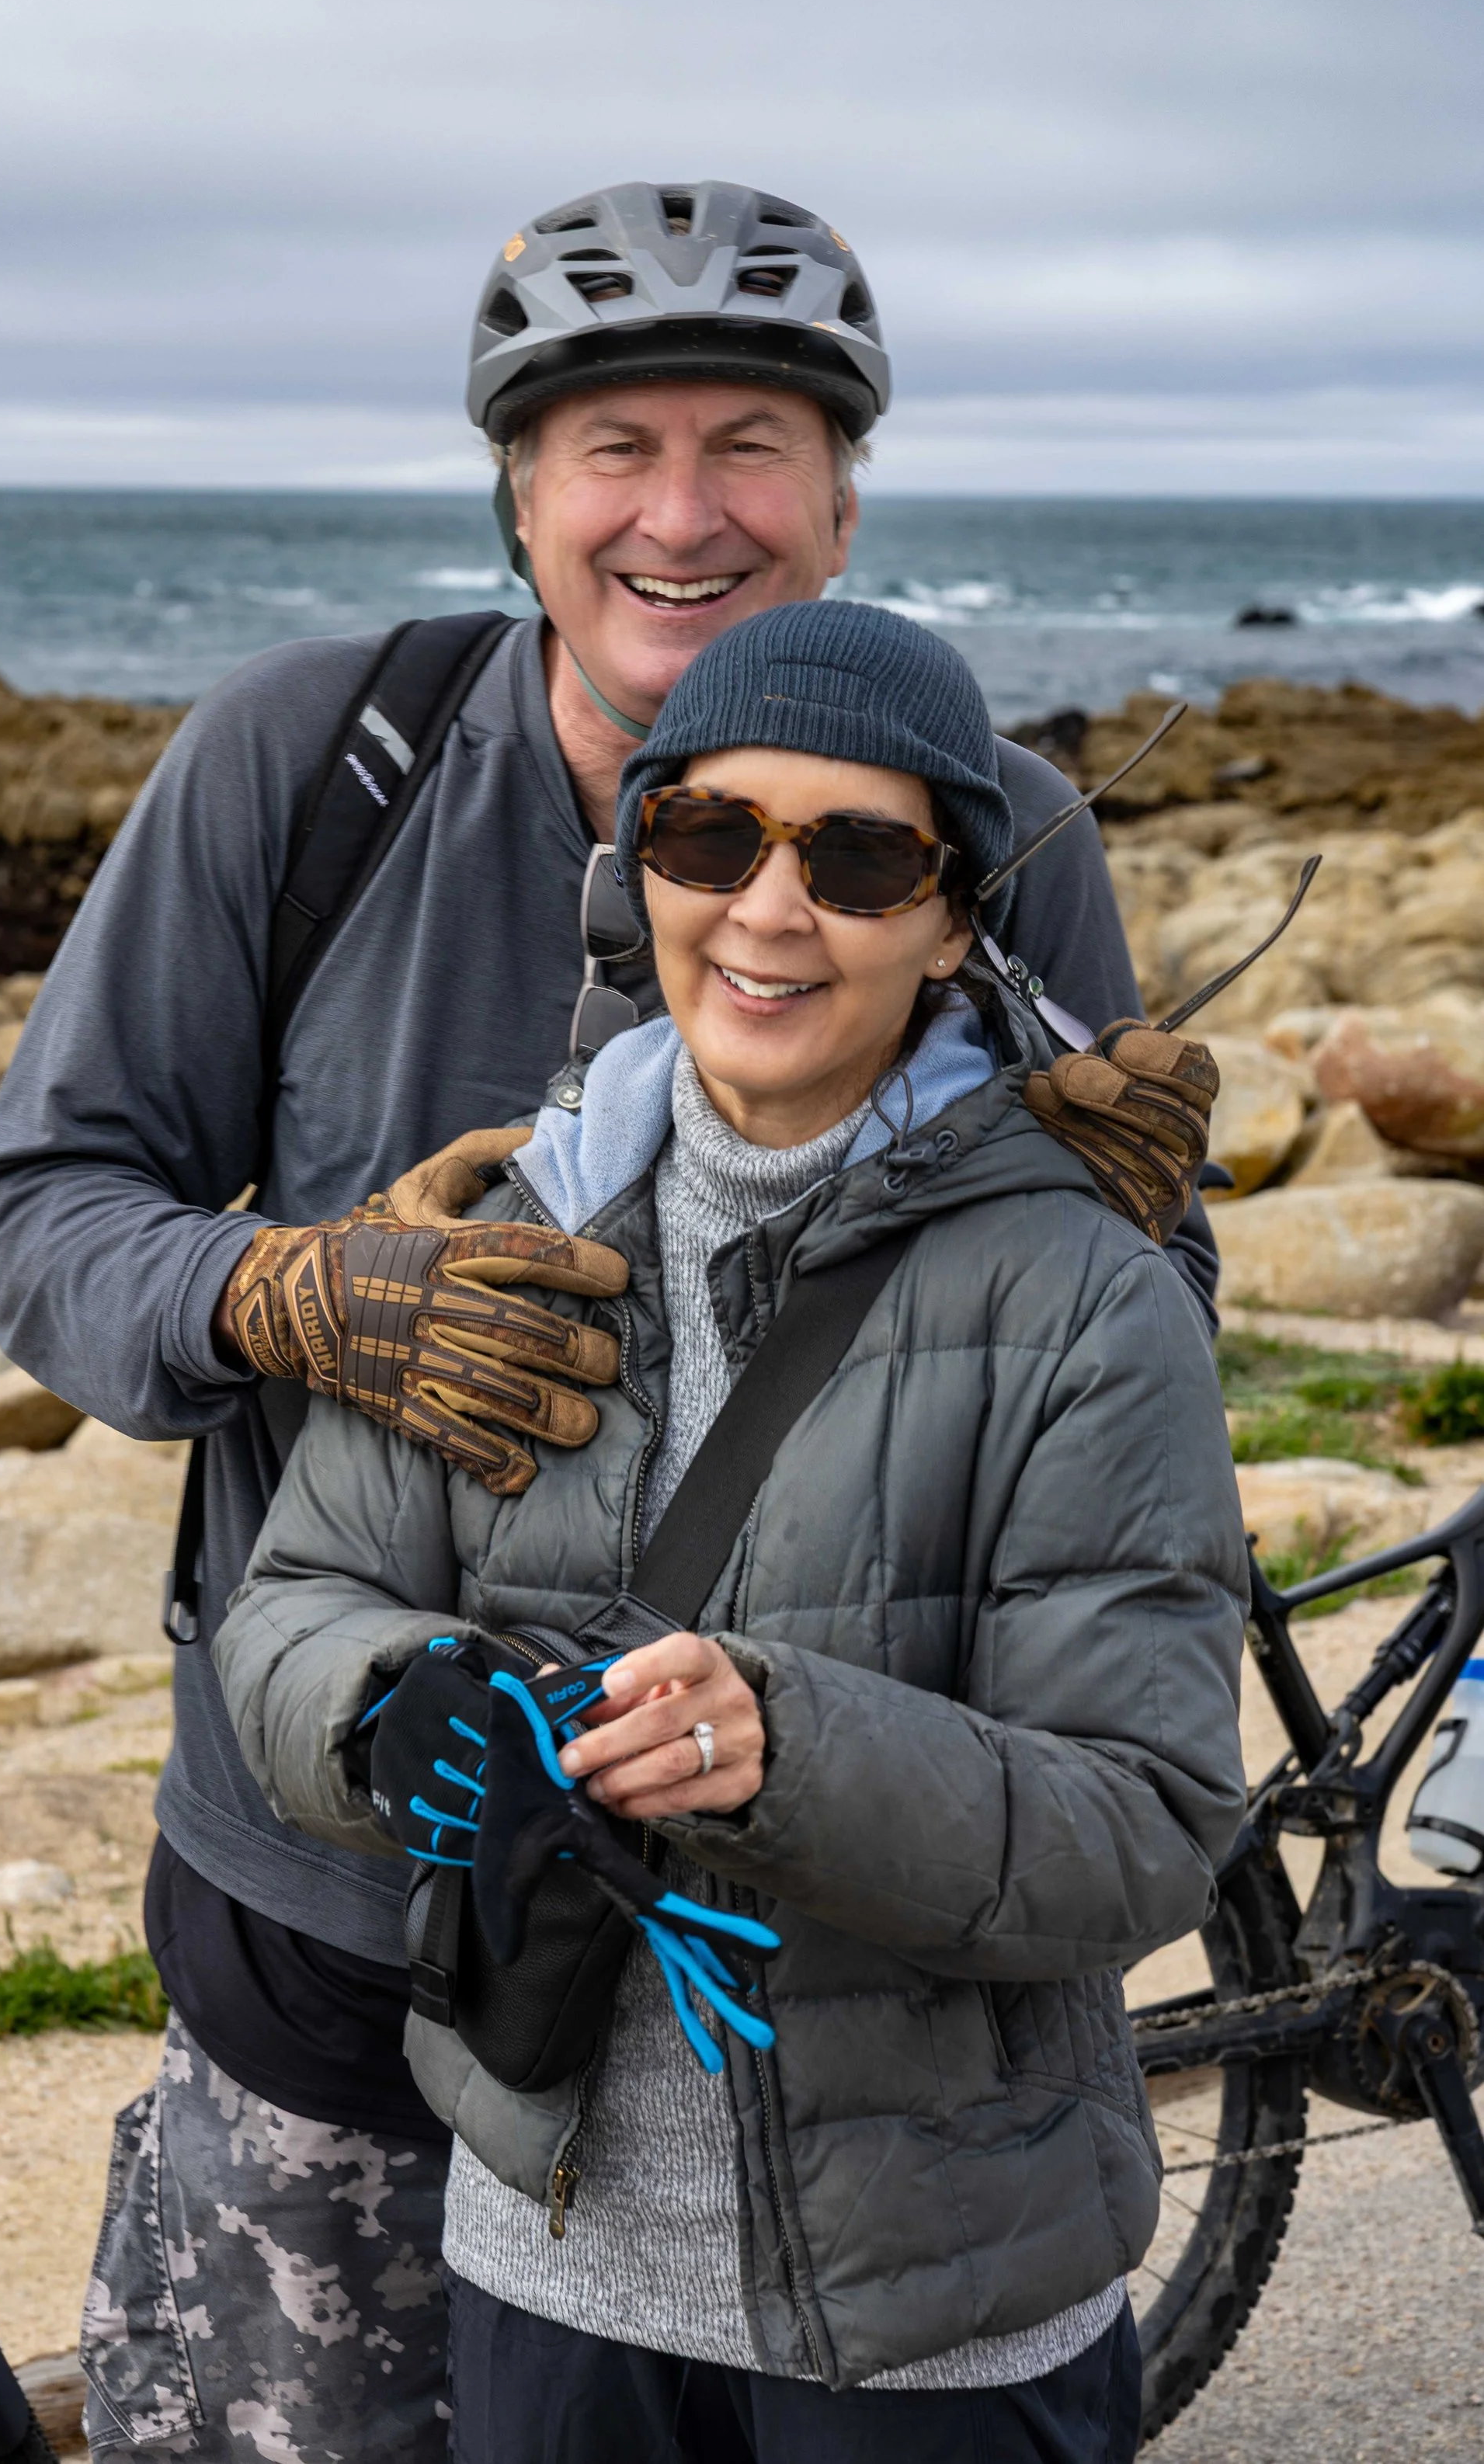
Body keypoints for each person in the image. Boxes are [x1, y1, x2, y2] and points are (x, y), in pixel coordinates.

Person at [0, 181, 1219, 2464]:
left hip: (825, 1953)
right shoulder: (298, 765)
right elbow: (39, 1203)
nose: (680, 510)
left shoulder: (997, 822)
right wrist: (277, 1285)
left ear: (838, 498)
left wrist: (1133, 1217)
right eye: (610, 445)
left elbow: (1107, 1355)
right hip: (342, 1882)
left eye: (749, 442)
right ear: (519, 493)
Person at [215, 599, 1249, 2464]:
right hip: (545, 2267)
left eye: (855, 857)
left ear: (952, 919)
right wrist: (392, 1702)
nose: (766, 911)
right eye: (710, 836)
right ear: (637, 872)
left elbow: (1146, 1826)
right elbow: (294, 1605)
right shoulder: (504, 1232)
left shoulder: (1089, 1298)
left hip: (931, 2321)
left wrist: (787, 1741)